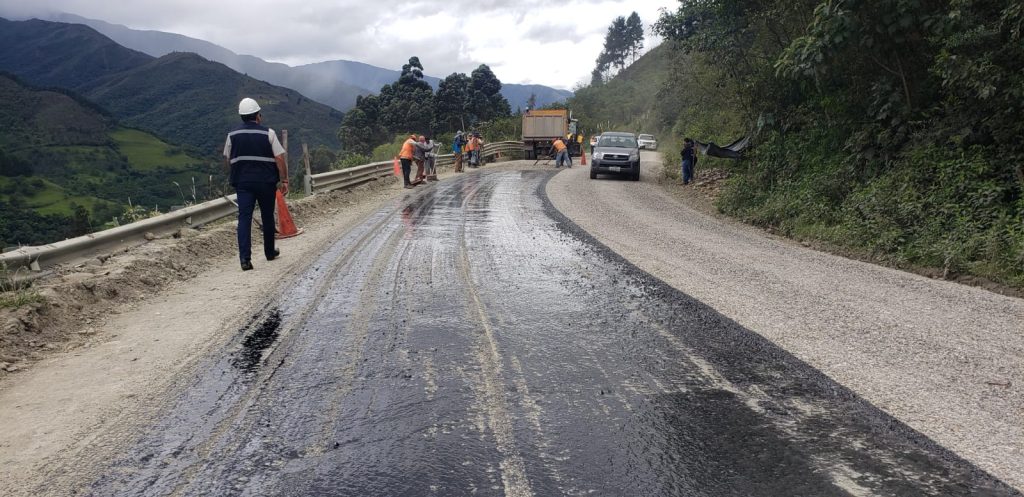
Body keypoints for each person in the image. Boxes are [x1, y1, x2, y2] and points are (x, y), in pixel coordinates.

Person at [223, 98, 288, 271]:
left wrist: (237, 172)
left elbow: (227, 159)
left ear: (242, 116)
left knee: (244, 218)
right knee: (267, 216)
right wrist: (284, 180)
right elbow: (279, 158)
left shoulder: (232, 135)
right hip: (266, 182)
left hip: (243, 183)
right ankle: (269, 252)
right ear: (257, 116)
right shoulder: (269, 133)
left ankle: (245, 259)